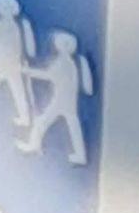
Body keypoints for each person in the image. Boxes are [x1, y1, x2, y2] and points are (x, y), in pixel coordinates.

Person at [19, 29, 92, 165]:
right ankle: (80, 155)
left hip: (61, 100)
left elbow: (48, 76)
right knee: (73, 126)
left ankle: (33, 145)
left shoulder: (63, 62)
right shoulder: (70, 63)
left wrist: (28, 72)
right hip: (69, 101)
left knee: (42, 121)